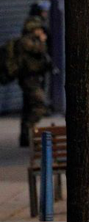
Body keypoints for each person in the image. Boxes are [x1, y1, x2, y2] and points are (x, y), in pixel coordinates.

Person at [16, 16, 51, 146]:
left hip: (33, 78)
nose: (40, 31)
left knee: (28, 108)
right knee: (40, 106)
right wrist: (42, 41)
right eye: (38, 28)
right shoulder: (26, 41)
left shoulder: (31, 40)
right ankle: (30, 131)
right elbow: (39, 50)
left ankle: (25, 137)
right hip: (29, 79)